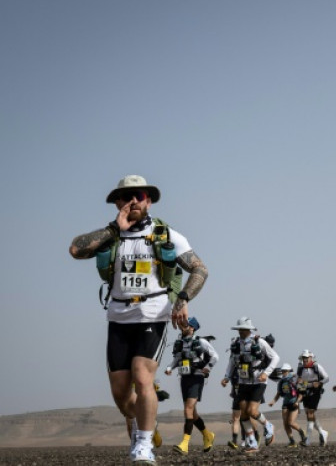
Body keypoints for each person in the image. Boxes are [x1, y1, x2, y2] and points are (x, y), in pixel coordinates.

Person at [69, 175, 209, 465]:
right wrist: (113, 229)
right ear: (117, 202)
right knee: (122, 397)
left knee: (143, 377)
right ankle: (148, 420)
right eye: (125, 196)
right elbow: (76, 249)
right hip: (118, 317)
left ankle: (143, 444)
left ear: (149, 200)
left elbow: (199, 269)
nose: (133, 200)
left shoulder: (166, 234)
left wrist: (182, 300)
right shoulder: (112, 235)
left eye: (139, 195)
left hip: (153, 313)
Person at [220, 317, 279, 453]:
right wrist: (226, 377)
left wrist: (267, 373)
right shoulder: (235, 344)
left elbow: (275, 357)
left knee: (252, 411)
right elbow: (232, 362)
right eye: (239, 329)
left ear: (249, 329)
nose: (241, 331)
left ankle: (268, 425)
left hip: (258, 381)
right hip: (243, 381)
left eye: (244, 329)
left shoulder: (260, 342)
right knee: (244, 414)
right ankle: (252, 441)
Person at [163, 317, 217, 454]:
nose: (183, 326)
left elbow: (215, 356)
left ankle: (184, 444)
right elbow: (176, 359)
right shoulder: (180, 343)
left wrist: (208, 367)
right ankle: (207, 435)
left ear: (192, 328)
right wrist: (169, 368)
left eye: (186, 324)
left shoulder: (201, 342)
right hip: (184, 378)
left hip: (197, 377)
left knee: (188, 409)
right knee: (192, 413)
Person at [296, 349, 330, 446]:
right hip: (305, 390)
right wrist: (299, 387)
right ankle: (322, 432)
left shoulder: (317, 366)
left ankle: (308, 440)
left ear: (311, 358)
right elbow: (299, 380)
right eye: (304, 358)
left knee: (310, 412)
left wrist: (319, 383)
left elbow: (327, 378)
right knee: (308, 413)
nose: (305, 359)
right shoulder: (300, 368)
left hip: (316, 391)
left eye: (306, 357)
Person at [268, 364, 307, 446]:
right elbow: (279, 393)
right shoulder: (281, 381)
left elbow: (301, 393)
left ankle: (302, 432)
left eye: (285, 371)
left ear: (289, 371)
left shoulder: (295, 379)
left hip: (294, 402)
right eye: (282, 371)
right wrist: (273, 401)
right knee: (285, 423)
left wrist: (297, 402)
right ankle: (292, 441)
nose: (283, 373)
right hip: (285, 403)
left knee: (291, 422)